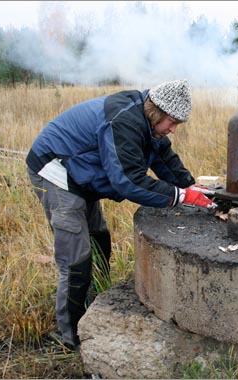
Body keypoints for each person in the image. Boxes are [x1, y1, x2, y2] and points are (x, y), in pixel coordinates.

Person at [26, 79, 215, 350]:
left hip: (81, 176)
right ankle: (72, 337)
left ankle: (94, 301)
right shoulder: (124, 122)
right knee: (76, 260)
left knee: (99, 241)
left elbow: (164, 160)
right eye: (172, 122)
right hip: (56, 172)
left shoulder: (150, 125)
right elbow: (128, 181)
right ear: (157, 112)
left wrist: (189, 185)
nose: (173, 129)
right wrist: (180, 196)